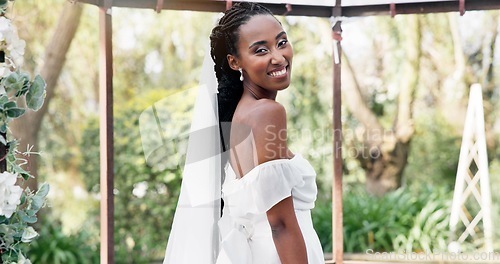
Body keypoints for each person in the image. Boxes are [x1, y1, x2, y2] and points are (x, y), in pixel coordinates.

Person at [164, 2, 324, 263]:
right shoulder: (267, 113)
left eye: (281, 42)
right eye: (261, 50)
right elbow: (280, 224)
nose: (278, 57)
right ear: (235, 62)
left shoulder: (240, 114)